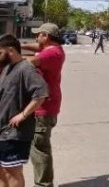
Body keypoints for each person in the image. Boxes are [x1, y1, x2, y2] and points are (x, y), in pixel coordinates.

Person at [0, 34, 49, 187]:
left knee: (12, 171)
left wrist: (22, 114)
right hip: (3, 130)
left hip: (15, 132)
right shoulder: (8, 68)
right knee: (2, 170)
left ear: (10, 50)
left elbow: (41, 94)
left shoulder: (26, 68)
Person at [21, 23, 65, 187]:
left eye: (38, 35)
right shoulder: (53, 49)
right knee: (40, 147)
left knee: (39, 149)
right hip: (47, 105)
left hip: (43, 108)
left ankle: (44, 184)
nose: (36, 37)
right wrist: (18, 45)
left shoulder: (50, 54)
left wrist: (10, 54)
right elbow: (35, 48)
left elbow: (29, 62)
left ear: (46, 36)